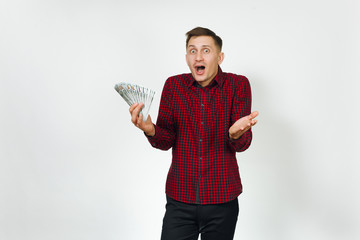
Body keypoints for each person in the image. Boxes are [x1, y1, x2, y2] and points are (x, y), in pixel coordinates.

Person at [129, 27, 258, 240]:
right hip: (180, 197)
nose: (198, 56)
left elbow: (243, 144)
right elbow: (165, 140)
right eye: (192, 51)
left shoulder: (238, 85)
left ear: (220, 57)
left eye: (206, 50)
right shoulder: (173, 85)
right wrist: (150, 130)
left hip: (222, 198)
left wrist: (235, 134)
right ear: (187, 57)